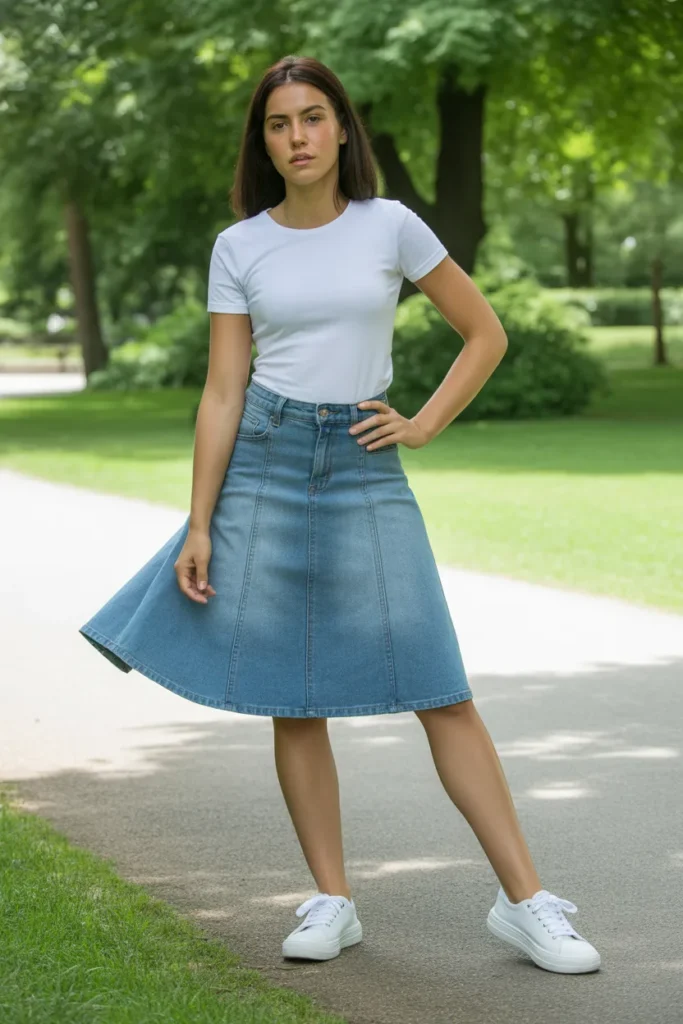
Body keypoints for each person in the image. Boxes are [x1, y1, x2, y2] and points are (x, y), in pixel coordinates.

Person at [79, 53, 601, 975]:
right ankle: (331, 899)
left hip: (363, 467)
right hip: (267, 465)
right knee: (293, 693)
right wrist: (200, 522)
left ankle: (527, 903)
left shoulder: (389, 226)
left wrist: (425, 423)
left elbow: (485, 332)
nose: (298, 138)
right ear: (264, 142)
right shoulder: (239, 247)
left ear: (342, 128)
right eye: (280, 125)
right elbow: (222, 389)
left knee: (439, 685)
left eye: (313, 118)